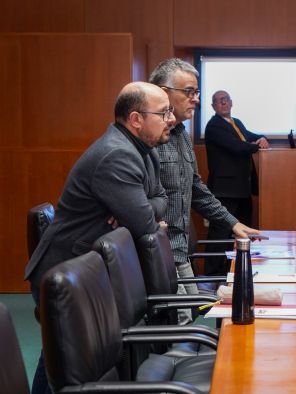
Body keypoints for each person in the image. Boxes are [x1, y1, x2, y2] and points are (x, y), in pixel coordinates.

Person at [24, 81, 174, 394]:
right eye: (163, 113)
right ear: (136, 119)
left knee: (63, 362)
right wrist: (144, 212)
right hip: (66, 271)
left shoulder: (144, 152)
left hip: (89, 268)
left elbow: (162, 199)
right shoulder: (116, 155)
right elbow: (148, 224)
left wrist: (140, 207)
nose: (171, 119)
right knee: (64, 365)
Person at [148, 59, 258, 323]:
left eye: (196, 92)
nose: (195, 99)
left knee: (192, 318)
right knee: (181, 327)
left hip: (180, 251)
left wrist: (233, 224)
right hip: (159, 256)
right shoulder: (148, 138)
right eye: (189, 92)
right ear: (164, 92)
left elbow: (196, 188)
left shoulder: (181, 134)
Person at [203, 91, 269, 275]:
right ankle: (212, 277)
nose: (223, 103)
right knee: (220, 236)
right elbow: (236, 146)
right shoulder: (214, 126)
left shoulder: (236, 122)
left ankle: (237, 273)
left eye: (225, 100)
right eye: (218, 101)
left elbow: (249, 136)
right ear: (213, 106)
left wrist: (262, 138)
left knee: (242, 233)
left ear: (231, 103)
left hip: (242, 190)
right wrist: (257, 145)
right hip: (224, 191)